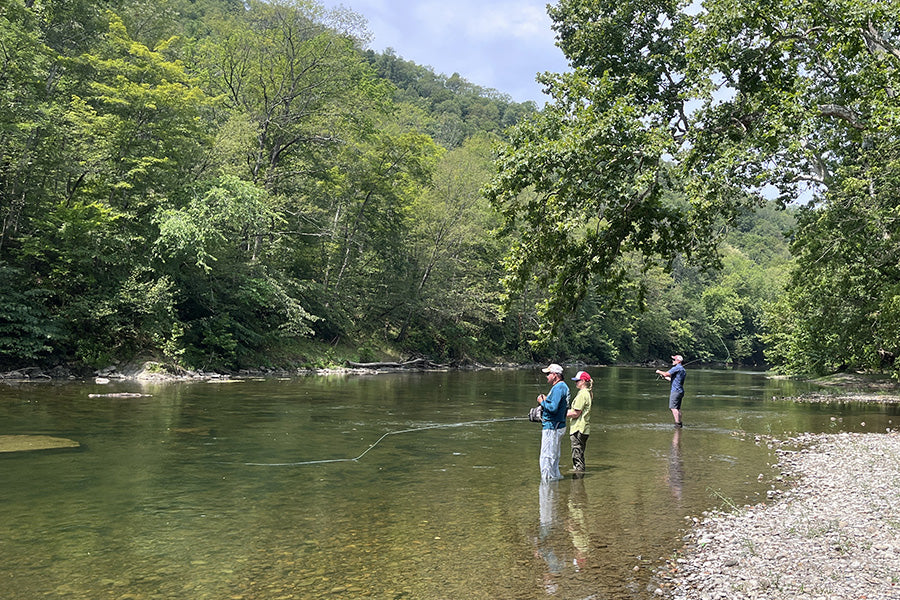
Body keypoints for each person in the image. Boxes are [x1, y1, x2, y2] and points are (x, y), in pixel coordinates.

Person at [536, 363, 570, 481]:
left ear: (555, 375)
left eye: (548, 374)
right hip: (558, 425)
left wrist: (542, 402)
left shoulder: (559, 387)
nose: (547, 376)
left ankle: (546, 484)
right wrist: (547, 400)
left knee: (547, 457)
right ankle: (555, 480)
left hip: (552, 427)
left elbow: (553, 408)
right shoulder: (562, 387)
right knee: (554, 456)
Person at [567, 370, 592, 475]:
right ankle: (579, 477)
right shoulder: (587, 393)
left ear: (582, 381)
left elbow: (575, 413)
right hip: (584, 429)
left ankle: (578, 477)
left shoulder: (582, 395)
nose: (575, 383)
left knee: (577, 455)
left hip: (578, 429)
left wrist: (559, 414)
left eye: (577, 381)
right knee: (580, 453)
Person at [656, 354, 686, 427]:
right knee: (677, 409)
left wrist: (659, 371)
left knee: (673, 408)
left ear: (678, 361)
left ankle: (677, 424)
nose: (672, 361)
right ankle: (680, 423)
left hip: (675, 391)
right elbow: (673, 380)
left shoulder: (676, 368)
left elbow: (666, 374)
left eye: (674, 360)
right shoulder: (683, 370)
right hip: (680, 391)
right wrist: (665, 377)